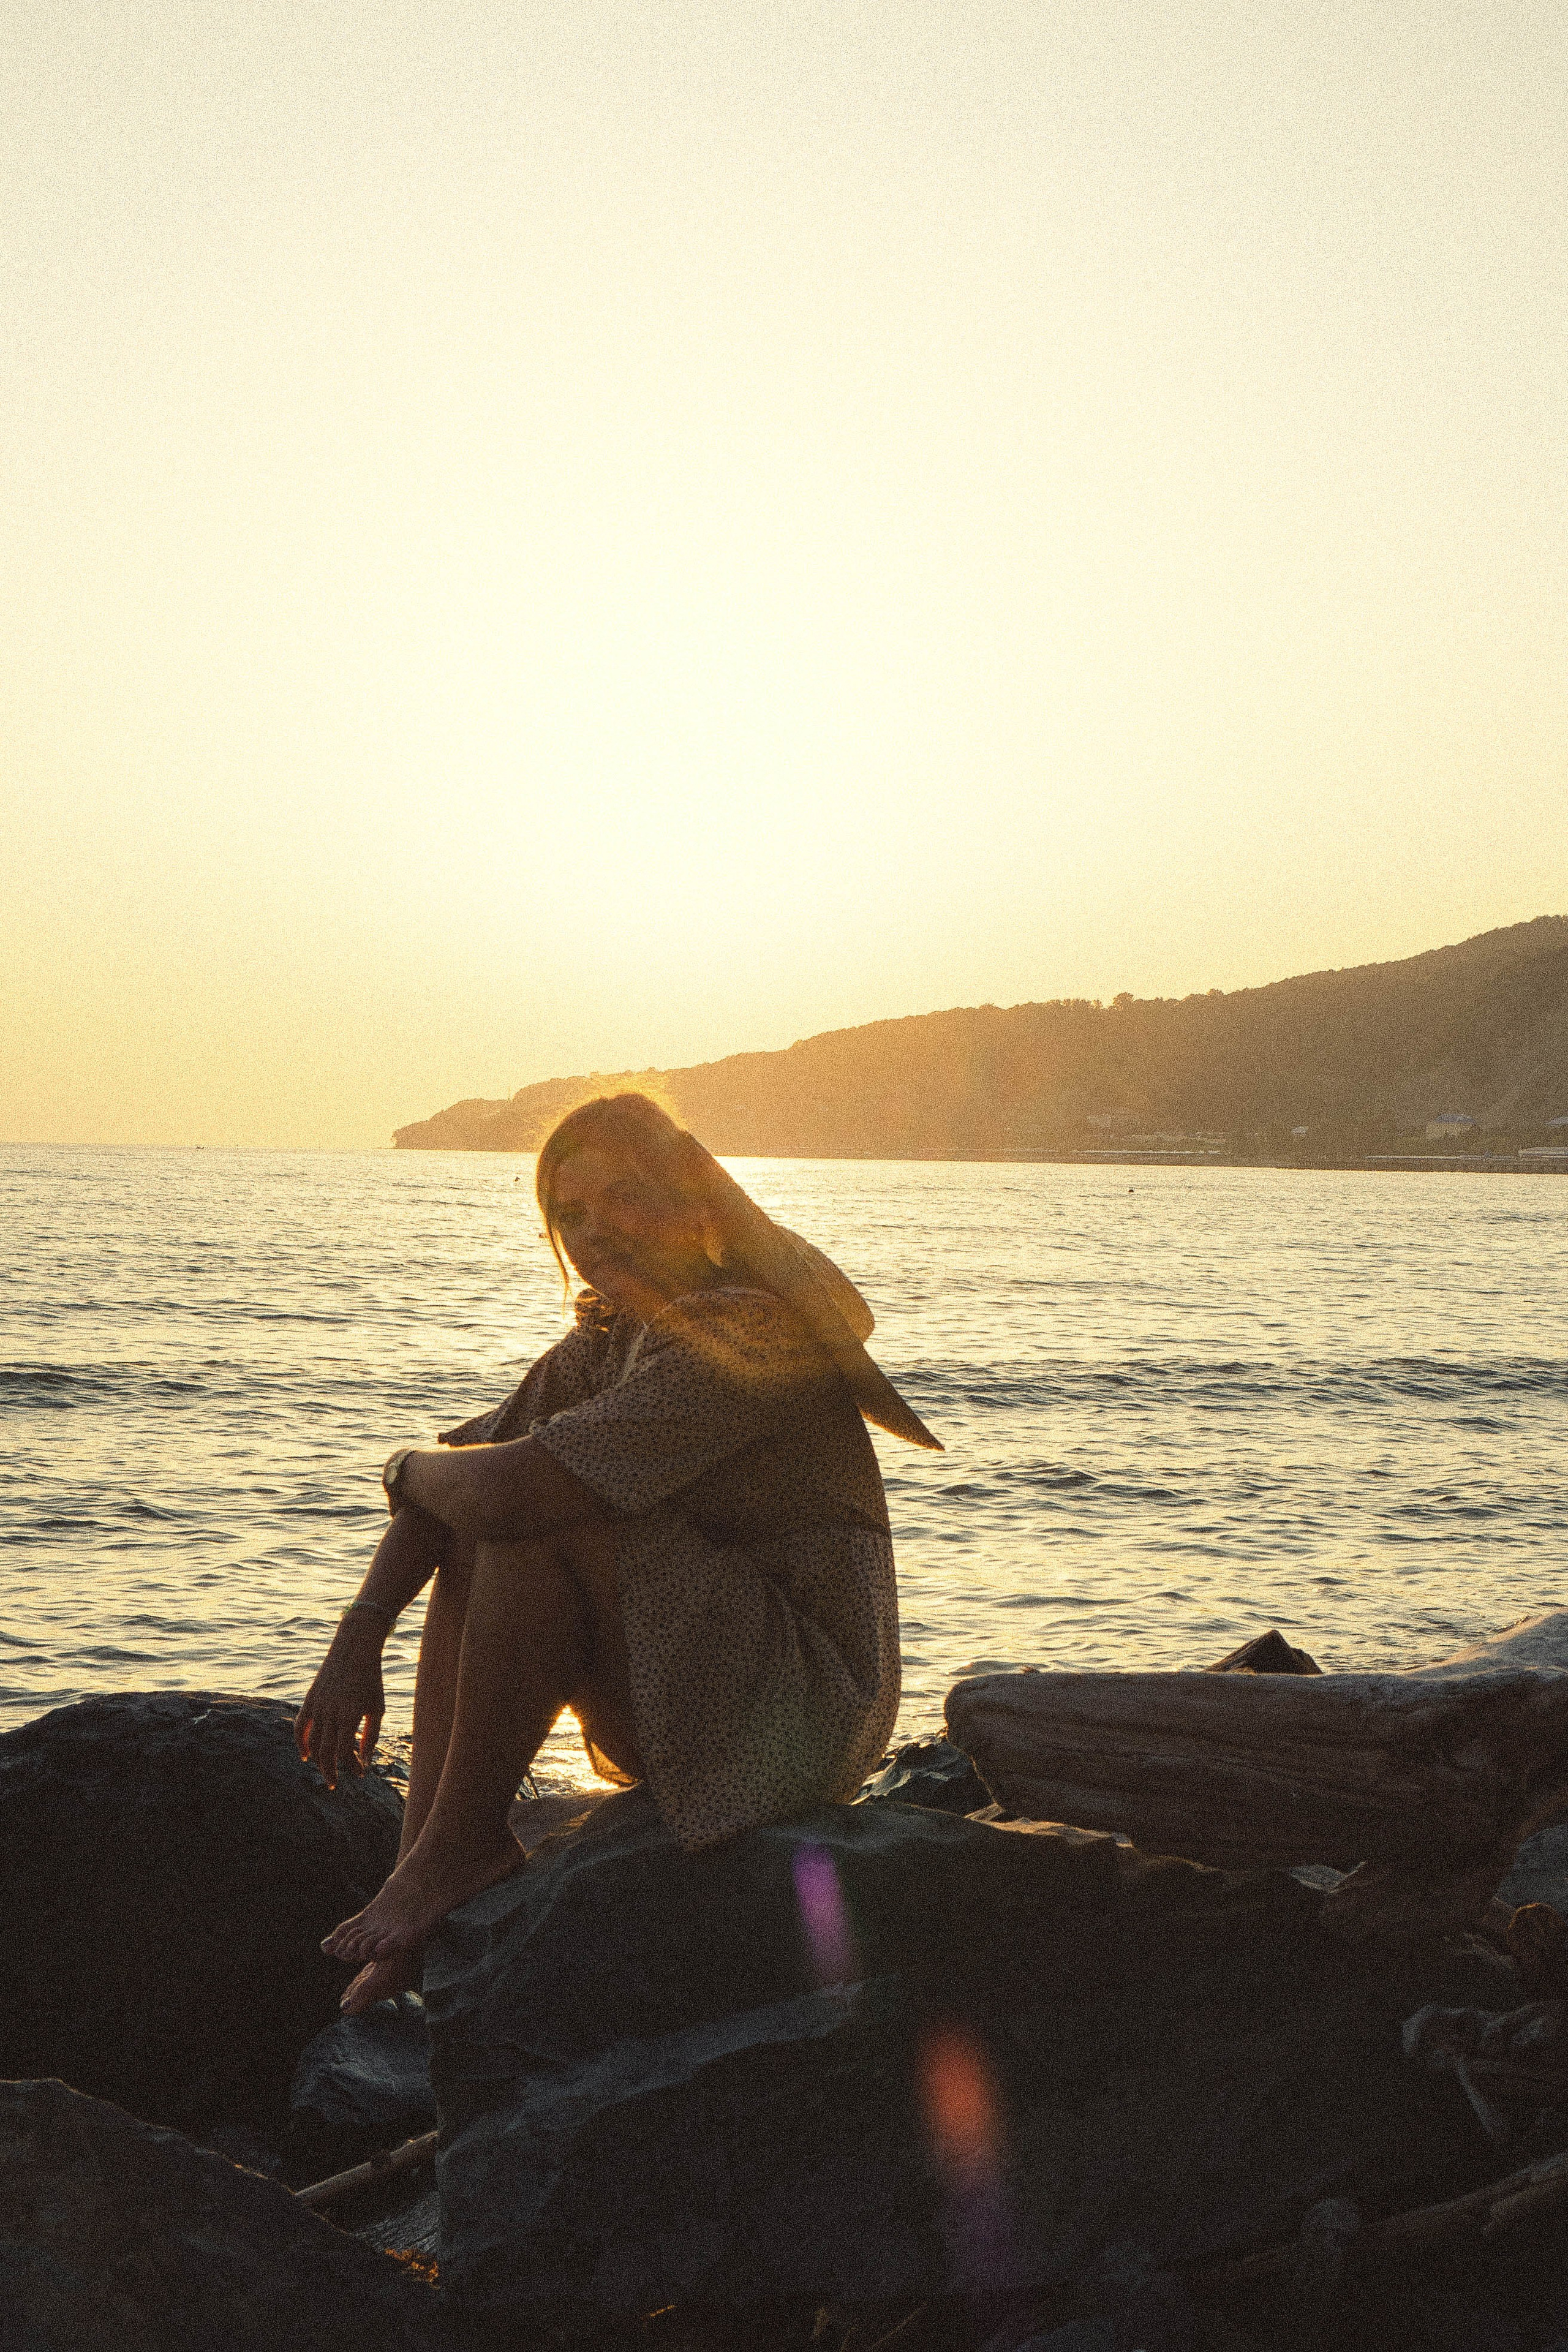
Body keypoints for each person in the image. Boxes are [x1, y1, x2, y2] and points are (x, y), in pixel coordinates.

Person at [295, 1092, 940, 2012]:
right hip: (688, 1693)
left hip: (803, 1717)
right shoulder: (600, 1343)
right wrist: (361, 1630)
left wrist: (404, 1464)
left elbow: (506, 1490)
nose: (594, 1230)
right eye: (571, 1212)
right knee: (488, 1525)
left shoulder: (751, 1330)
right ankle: (429, 1864)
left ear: (692, 1201)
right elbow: (463, 1490)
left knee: (535, 1517)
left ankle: (455, 1852)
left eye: (625, 1196)